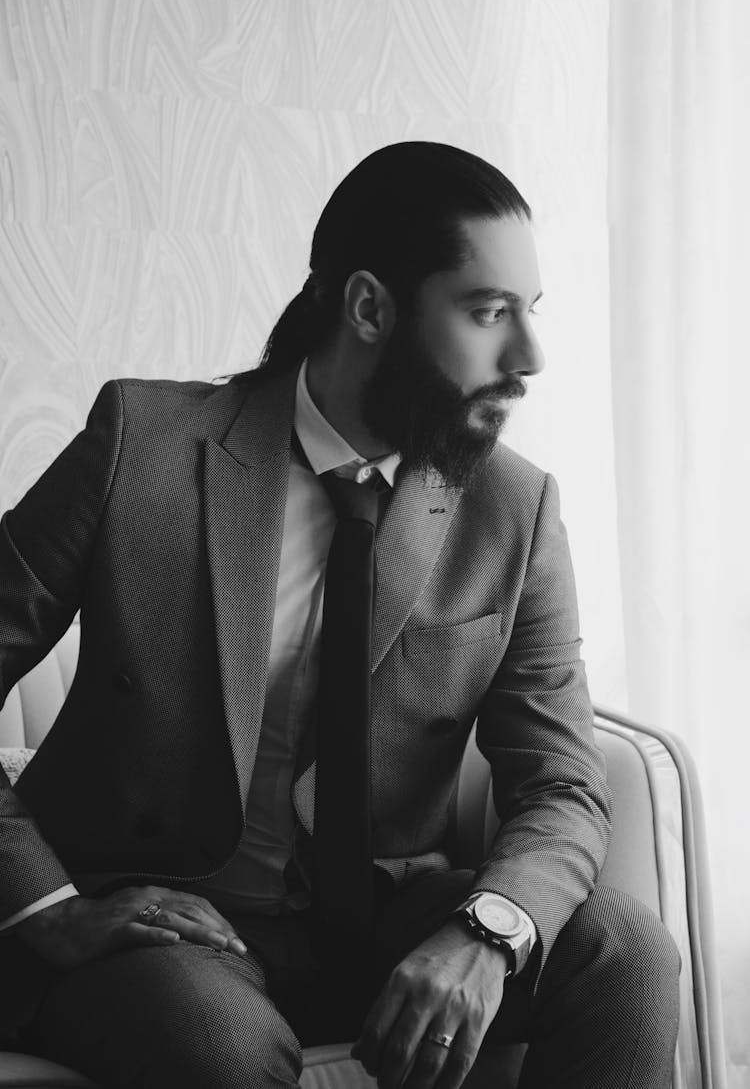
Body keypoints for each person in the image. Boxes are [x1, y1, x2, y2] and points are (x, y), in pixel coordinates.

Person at [0, 141, 680, 1089]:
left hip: (384, 923)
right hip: (166, 928)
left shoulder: (512, 507)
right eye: (489, 313)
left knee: (629, 957)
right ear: (369, 307)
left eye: (530, 313)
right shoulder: (142, 447)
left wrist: (488, 930)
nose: (530, 357)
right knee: (221, 1047)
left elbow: (562, 782)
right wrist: (50, 906)